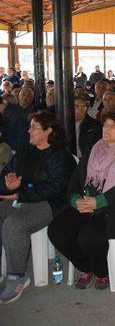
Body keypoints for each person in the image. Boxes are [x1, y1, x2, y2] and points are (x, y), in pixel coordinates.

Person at [48, 110, 115, 291]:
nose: (107, 130)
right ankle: (87, 266)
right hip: (87, 204)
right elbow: (75, 180)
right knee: (57, 232)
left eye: (113, 126)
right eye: (105, 125)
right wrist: (76, 199)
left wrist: (99, 202)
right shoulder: (95, 149)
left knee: (88, 237)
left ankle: (102, 272)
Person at [0, 112, 76, 303]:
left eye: (34, 127)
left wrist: (21, 193)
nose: (29, 131)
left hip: (50, 202)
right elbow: (6, 174)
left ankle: (17, 277)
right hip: (21, 197)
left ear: (48, 131)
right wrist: (7, 186)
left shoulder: (61, 156)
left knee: (14, 224)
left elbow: (56, 188)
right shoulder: (25, 151)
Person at [74, 94, 102, 159]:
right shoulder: (63, 123)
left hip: (85, 160)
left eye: (75, 107)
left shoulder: (95, 126)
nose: (71, 109)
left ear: (84, 109)